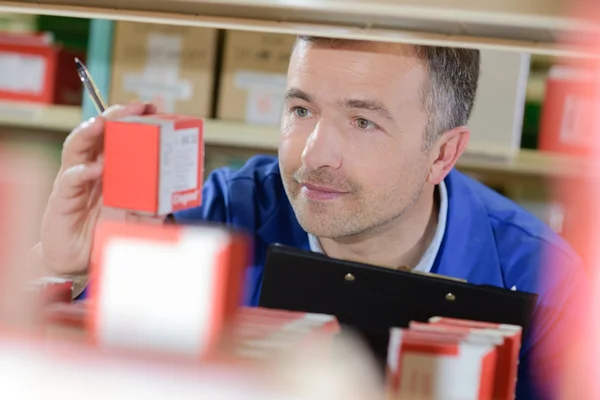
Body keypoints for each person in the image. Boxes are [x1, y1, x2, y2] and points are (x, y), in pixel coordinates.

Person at [31, 36, 587, 399]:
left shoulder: (547, 280)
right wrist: (69, 273)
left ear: (442, 154)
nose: (314, 153)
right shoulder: (221, 215)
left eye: (364, 122)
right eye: (301, 110)